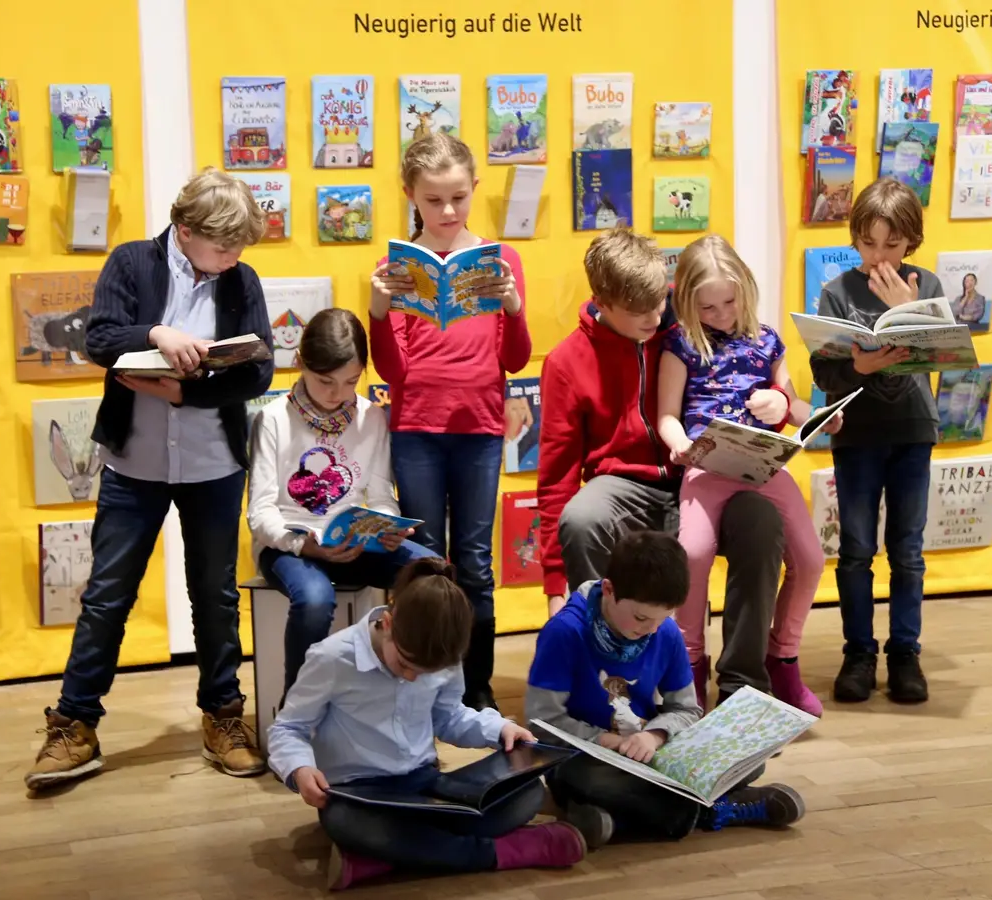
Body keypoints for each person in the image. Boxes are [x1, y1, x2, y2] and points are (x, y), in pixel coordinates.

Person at [25, 169, 273, 790]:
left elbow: (257, 373)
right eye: (222, 248)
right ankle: (74, 726)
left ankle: (223, 718)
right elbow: (100, 338)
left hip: (212, 461)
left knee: (215, 597)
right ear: (185, 231)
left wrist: (186, 392)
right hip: (134, 462)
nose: (232, 261)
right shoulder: (132, 263)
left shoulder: (242, 281)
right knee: (108, 594)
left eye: (240, 249)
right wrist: (156, 334)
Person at [268, 559, 587, 891]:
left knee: (528, 793)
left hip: (425, 784)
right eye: (405, 663)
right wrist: (300, 769)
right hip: (359, 794)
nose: (412, 676)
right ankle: (502, 852)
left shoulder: (443, 655)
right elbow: (288, 728)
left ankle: (384, 856)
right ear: (388, 623)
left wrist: (499, 730)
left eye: (425, 672)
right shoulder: (332, 657)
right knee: (346, 824)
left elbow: (449, 717)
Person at [368, 131, 531, 711]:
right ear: (410, 194)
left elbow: (514, 360)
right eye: (433, 200)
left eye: (458, 198)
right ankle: (427, 676)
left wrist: (512, 307)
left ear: (474, 190)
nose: (447, 211)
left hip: (480, 429)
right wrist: (379, 312)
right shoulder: (399, 263)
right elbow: (394, 371)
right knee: (427, 559)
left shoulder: (500, 260)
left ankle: (476, 685)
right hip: (417, 428)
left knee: (476, 561)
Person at [525, 530, 806, 848]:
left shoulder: (665, 632)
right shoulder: (564, 633)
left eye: (663, 619)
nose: (651, 630)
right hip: (586, 758)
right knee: (591, 780)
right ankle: (714, 811)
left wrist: (654, 736)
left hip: (648, 751)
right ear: (608, 590)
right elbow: (541, 719)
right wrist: (606, 741)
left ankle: (611, 821)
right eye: (641, 617)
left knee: (752, 761)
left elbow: (686, 708)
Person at [657, 235, 833, 717]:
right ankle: (688, 666)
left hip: (760, 464)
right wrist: (679, 444)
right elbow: (667, 415)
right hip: (706, 466)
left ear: (746, 290)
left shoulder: (767, 340)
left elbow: (794, 406)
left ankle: (784, 659)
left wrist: (802, 412)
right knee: (691, 554)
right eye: (707, 306)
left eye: (729, 301)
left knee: (811, 559)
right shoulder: (680, 344)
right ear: (686, 302)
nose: (720, 314)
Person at [247, 308, 436, 703]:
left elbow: (381, 495)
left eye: (351, 381)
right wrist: (303, 544)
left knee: (433, 573)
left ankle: (406, 687)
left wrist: (388, 527)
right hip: (291, 545)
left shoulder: (372, 417)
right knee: (315, 600)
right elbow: (260, 514)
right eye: (324, 381)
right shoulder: (273, 420)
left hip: (353, 541)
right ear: (301, 363)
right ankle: (297, 706)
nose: (336, 393)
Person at [809, 177, 946, 705]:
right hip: (858, 435)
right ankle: (859, 652)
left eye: (892, 244)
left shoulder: (927, 284)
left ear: (911, 240)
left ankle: (905, 652)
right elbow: (824, 372)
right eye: (868, 243)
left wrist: (912, 312)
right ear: (854, 238)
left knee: (907, 551)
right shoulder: (837, 291)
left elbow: (941, 359)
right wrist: (859, 365)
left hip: (912, 431)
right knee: (856, 550)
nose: (880, 255)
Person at [536, 228, 678, 618]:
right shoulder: (565, 363)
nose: (655, 317)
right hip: (619, 486)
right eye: (639, 311)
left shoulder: (682, 333)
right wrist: (555, 585)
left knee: (760, 521)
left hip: (692, 476)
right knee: (583, 518)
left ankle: (741, 671)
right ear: (602, 302)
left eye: (660, 302)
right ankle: (601, 641)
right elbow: (556, 476)